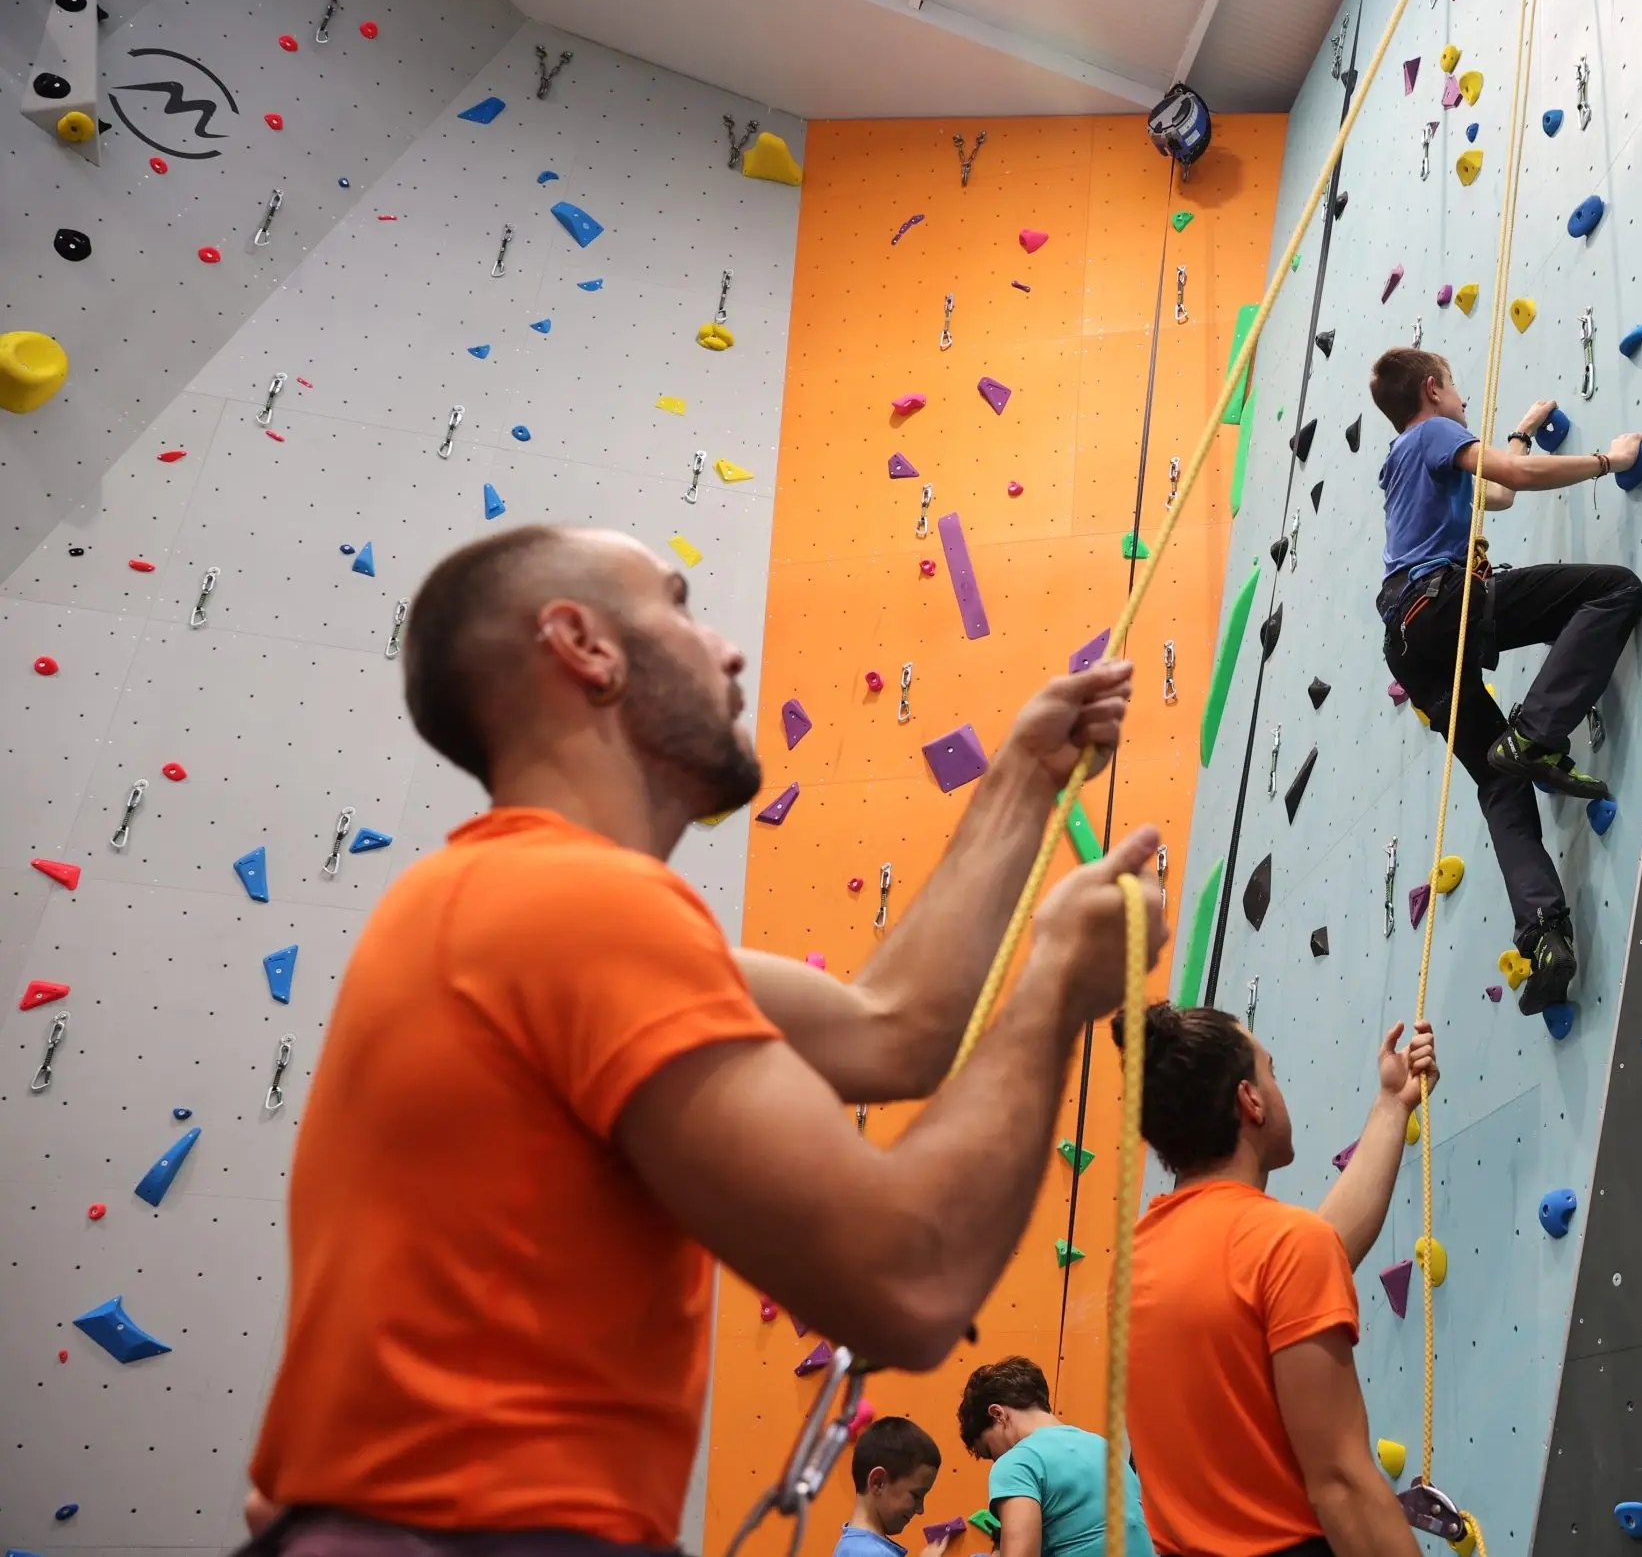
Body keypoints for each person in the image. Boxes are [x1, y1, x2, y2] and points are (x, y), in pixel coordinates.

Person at [242, 524, 1167, 1554]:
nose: (727, 650)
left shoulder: (500, 904)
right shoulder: (573, 909)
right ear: (583, 645)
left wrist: (1023, 778)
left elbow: (894, 1030)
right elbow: (907, 1284)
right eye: (680, 605)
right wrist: (1054, 988)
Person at [1368, 346, 1642, 1013]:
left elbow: (1494, 492)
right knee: (1614, 591)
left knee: (1499, 782)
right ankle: (1536, 731)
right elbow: (1514, 476)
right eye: (1456, 388)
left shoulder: (1403, 464)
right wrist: (1609, 461)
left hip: (1408, 642)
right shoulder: (1432, 434)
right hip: (1442, 604)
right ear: (1432, 390)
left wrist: (1520, 429)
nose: (1464, 400)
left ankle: (1543, 936)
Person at [1116, 1004, 1439, 1557]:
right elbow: (1342, 1485)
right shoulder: (1283, 1246)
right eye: (1272, 1071)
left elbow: (1310, 1258)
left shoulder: (1141, 1257)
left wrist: (1391, 1106)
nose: (1277, 1086)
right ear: (1251, 1100)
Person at [959, 1356, 1154, 1557]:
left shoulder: (1016, 1463)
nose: (997, 1459)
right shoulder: (1105, 1449)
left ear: (997, 1414)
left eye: (990, 1451)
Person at [833, 1417, 954, 1557]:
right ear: (878, 1482)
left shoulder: (850, 1546)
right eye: (916, 1495)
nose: (920, 1509)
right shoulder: (875, 1554)